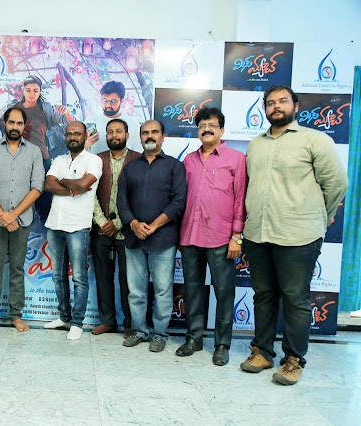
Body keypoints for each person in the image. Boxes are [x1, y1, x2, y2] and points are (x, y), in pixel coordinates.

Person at [239, 86, 348, 385]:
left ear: (296, 106)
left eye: (282, 101)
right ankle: (262, 352)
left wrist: (319, 217)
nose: (276, 106)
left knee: (295, 299)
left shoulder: (315, 140)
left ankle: (293, 360)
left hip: (298, 234)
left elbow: (337, 184)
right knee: (263, 296)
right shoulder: (255, 145)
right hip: (258, 232)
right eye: (270, 103)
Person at [176, 107, 246, 366]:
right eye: (202, 125)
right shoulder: (189, 161)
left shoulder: (236, 158)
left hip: (221, 238)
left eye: (212, 125)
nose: (206, 129)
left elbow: (240, 199)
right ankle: (194, 339)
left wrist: (237, 236)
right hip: (190, 237)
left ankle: (222, 344)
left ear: (222, 130)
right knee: (193, 291)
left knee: (224, 293)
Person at [117, 120, 186, 352]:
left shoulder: (175, 166)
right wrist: (134, 224)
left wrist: (154, 226)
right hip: (134, 237)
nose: (150, 136)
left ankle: (159, 334)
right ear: (140, 137)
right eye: (145, 132)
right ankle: (139, 330)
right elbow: (121, 200)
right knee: (136, 290)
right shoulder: (130, 167)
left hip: (163, 239)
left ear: (162, 137)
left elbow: (178, 202)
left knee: (163, 290)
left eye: (155, 132)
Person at [0, 107, 44, 332]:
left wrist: (13, 215)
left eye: (19, 123)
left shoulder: (34, 152)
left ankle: (16, 315)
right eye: (11, 122)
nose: (15, 127)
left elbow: (37, 187)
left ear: (25, 126)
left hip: (21, 220)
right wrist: (2, 216)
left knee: (17, 268)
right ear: (4, 124)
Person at [43, 121, 103, 340]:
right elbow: (48, 185)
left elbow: (84, 185)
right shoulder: (59, 160)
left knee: (78, 277)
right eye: (69, 134)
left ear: (85, 136)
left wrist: (63, 181)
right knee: (58, 276)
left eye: (77, 133)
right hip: (55, 224)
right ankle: (64, 317)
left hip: (78, 226)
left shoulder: (94, 160)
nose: (72, 137)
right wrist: (72, 187)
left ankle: (77, 323)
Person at [90, 119, 140, 338]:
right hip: (101, 230)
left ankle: (131, 324)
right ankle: (107, 321)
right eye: (110, 132)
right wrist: (102, 222)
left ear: (127, 135)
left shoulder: (138, 160)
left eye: (119, 131)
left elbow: (141, 197)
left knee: (129, 281)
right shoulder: (97, 159)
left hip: (129, 231)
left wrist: (119, 222)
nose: (114, 135)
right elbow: (90, 192)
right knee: (103, 278)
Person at [0, 75, 74, 159]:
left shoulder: (46, 108)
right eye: (28, 90)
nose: (32, 94)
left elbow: (69, 122)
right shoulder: (13, 107)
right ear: (23, 90)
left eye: (35, 90)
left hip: (41, 157)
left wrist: (66, 112)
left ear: (40, 91)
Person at [87, 81, 143, 155]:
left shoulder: (133, 125)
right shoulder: (90, 122)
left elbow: (139, 155)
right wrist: (86, 144)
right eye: (105, 100)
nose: (108, 105)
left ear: (121, 101)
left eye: (113, 101)